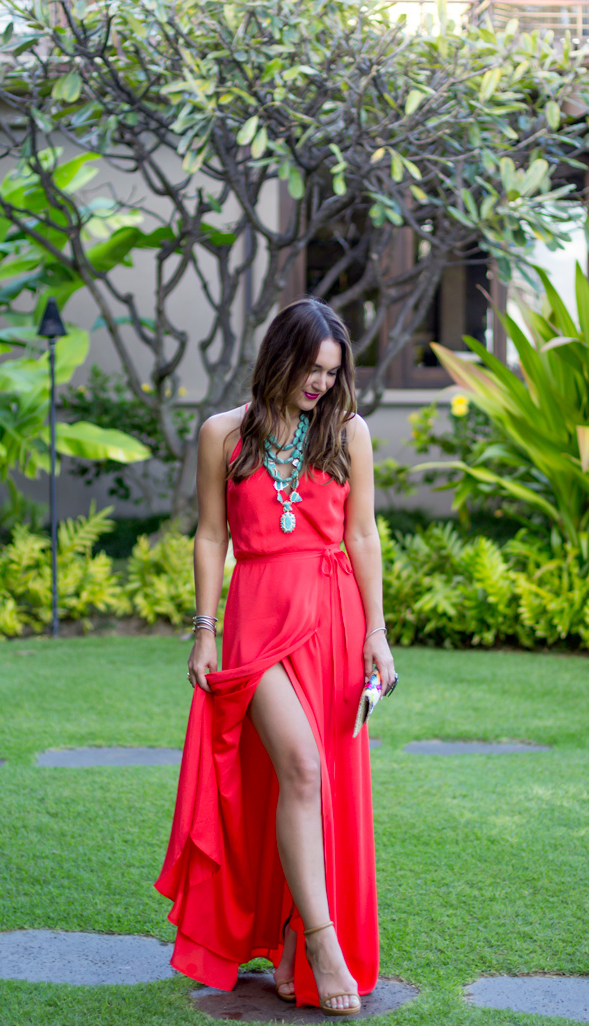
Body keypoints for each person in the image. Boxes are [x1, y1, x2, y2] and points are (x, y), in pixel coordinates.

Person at [155, 297, 398, 1016]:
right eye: (311, 367)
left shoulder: (347, 433)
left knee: (317, 789)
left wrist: (376, 632)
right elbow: (209, 536)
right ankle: (324, 941)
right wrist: (204, 627)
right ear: (279, 357)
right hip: (259, 620)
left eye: (333, 370)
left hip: (334, 617)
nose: (321, 382)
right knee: (299, 765)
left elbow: (363, 537)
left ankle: (295, 940)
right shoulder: (222, 434)